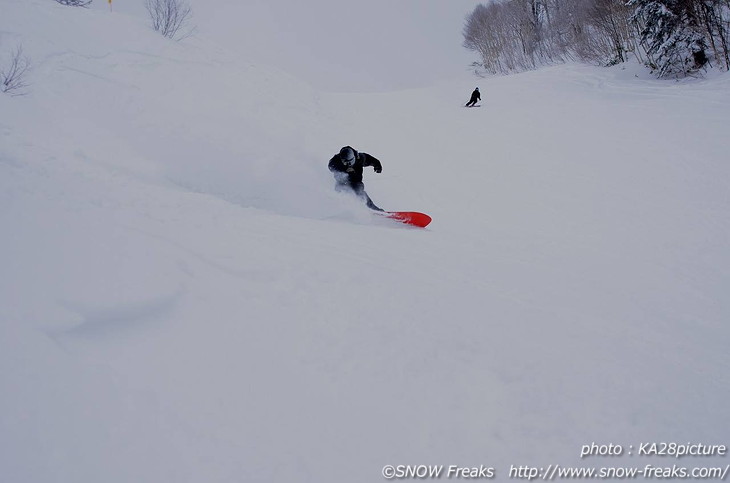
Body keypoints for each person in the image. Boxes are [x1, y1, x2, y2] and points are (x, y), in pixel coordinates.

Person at [328, 146, 384, 211]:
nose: (349, 164)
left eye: (351, 162)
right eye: (346, 163)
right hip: (342, 182)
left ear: (354, 157)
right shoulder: (336, 160)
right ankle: (339, 209)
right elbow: (330, 167)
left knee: (359, 192)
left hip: (356, 181)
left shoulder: (360, 158)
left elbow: (370, 160)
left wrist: (377, 166)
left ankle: (373, 209)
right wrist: (343, 170)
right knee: (340, 191)